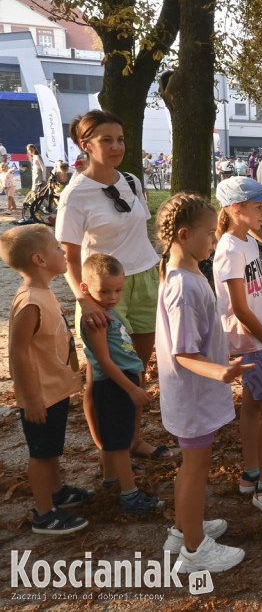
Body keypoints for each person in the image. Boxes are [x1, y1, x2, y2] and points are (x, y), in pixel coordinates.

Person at [56, 110, 170, 470]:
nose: (116, 146)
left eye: (120, 139)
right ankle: (110, 451)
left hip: (144, 281)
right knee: (101, 373)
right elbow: (69, 260)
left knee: (137, 368)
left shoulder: (132, 181)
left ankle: (133, 440)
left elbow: (139, 232)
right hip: (102, 293)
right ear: (85, 145)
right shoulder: (75, 195)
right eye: (106, 140)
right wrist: (86, 300)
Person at [154, 193, 252, 572]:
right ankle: (194, 551)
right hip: (192, 394)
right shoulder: (183, 286)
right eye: (209, 234)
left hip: (193, 393)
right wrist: (221, 372)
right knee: (195, 468)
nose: (214, 241)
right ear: (183, 234)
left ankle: (183, 527)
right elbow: (183, 352)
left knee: (191, 466)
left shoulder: (186, 271)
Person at [1, 224, 93, 535]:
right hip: (40, 394)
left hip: (54, 390)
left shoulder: (44, 292)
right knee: (41, 454)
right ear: (40, 260)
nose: (64, 252)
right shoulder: (29, 301)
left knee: (52, 448)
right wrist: (31, 398)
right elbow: (18, 353)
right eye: (57, 248)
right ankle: (43, 513)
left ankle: (56, 493)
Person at [214, 177, 262, 516]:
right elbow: (240, 309)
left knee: (253, 407)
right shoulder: (228, 249)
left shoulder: (247, 243)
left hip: (258, 336)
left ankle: (251, 473)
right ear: (235, 209)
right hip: (248, 341)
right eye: (258, 206)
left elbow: (258, 296)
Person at [77, 253, 164, 514]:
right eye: (103, 291)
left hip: (122, 382)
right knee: (119, 444)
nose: (112, 297)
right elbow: (103, 361)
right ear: (85, 288)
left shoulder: (107, 311)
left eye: (118, 290)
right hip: (114, 386)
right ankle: (130, 496)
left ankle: (111, 481)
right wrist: (132, 389)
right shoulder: (96, 319)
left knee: (114, 438)